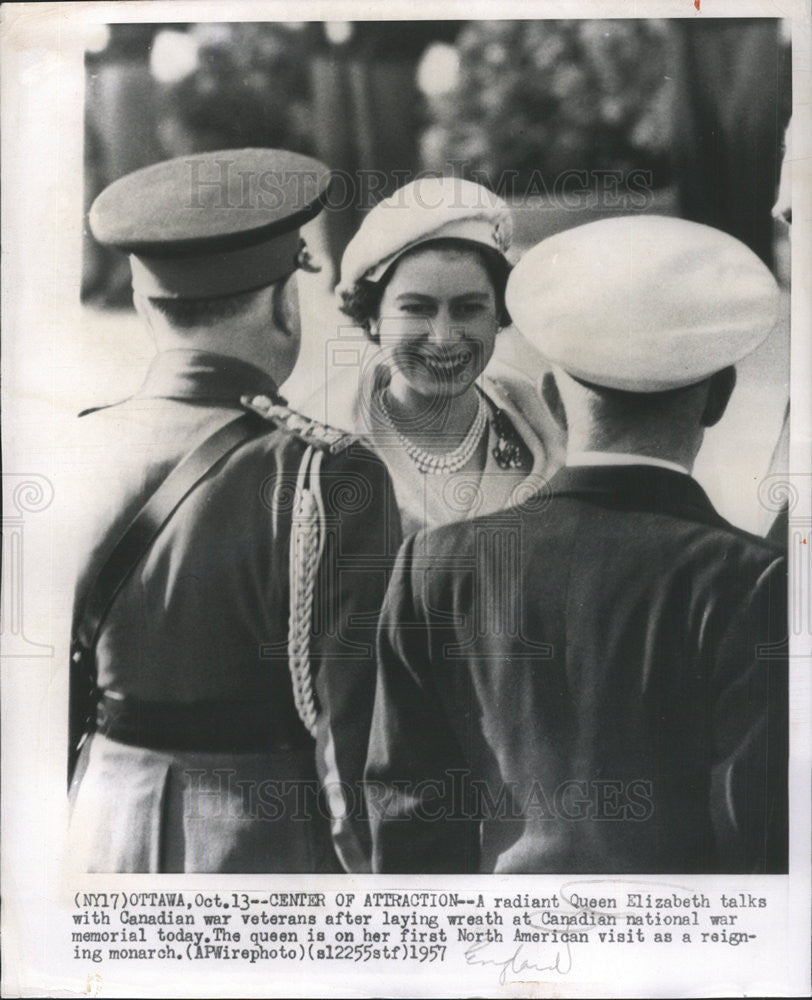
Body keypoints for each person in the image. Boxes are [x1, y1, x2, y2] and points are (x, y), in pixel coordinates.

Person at [366, 215, 788, 875]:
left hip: (502, 962)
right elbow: (757, 838)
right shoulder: (753, 581)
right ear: (719, 398)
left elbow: (409, 818)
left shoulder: (433, 566)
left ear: (554, 400)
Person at [66, 148, 401, 873]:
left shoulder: (70, 449)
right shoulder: (327, 472)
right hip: (264, 855)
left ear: (142, 303)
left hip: (95, 841)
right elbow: (354, 740)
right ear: (287, 303)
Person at [306, 176, 565, 536]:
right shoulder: (331, 448)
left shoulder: (540, 423)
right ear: (371, 314)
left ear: (499, 314)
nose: (443, 338)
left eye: (469, 309)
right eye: (416, 309)